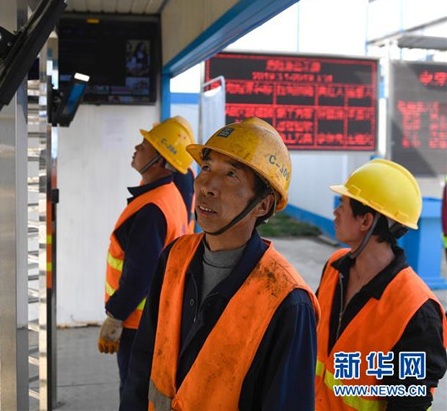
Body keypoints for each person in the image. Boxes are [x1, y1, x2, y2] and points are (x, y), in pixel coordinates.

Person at [121, 117, 320, 410]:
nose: (207, 185)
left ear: (263, 204)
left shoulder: (287, 301)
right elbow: (142, 362)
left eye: (231, 174)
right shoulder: (175, 257)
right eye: (206, 167)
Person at [315, 159, 447, 410]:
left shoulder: (417, 309)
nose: (335, 212)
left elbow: (410, 403)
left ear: (366, 221)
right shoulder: (334, 267)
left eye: (342, 204)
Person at [99, 117, 194, 398]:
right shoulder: (169, 195)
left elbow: (139, 276)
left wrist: (115, 316)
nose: (137, 147)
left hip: (137, 325)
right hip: (154, 319)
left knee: (134, 396)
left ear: (161, 161)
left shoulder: (152, 210)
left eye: (145, 145)